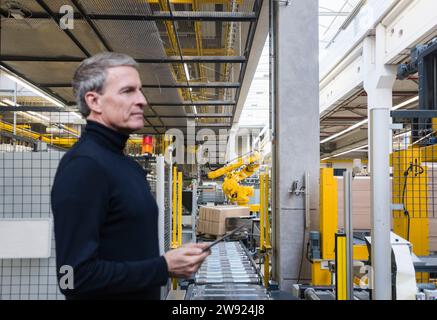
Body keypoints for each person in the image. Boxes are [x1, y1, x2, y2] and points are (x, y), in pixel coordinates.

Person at [51, 52, 210, 300]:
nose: (142, 100)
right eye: (128, 91)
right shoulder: (84, 167)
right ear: (94, 101)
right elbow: (73, 277)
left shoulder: (128, 166)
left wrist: (172, 261)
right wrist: (163, 267)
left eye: (140, 90)